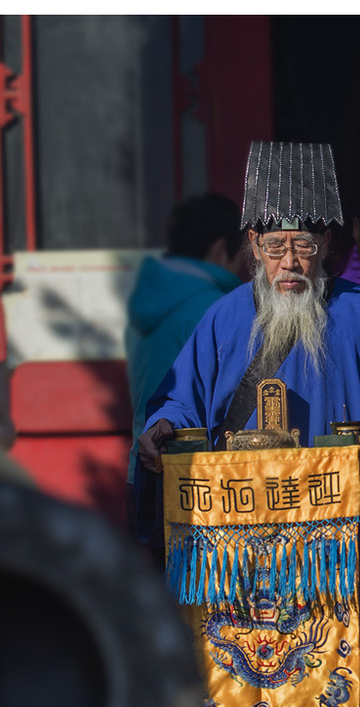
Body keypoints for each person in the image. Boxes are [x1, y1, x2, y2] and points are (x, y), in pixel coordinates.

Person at [135, 141, 360, 707]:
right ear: (250, 243)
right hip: (244, 563)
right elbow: (177, 401)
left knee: (355, 700)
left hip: (343, 553)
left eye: (304, 245)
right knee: (249, 697)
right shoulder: (222, 321)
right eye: (274, 247)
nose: (291, 263)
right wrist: (158, 431)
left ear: (328, 244)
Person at [124, 193, 246, 568]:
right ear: (221, 249)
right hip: (193, 482)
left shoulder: (148, 301)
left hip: (144, 469)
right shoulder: (213, 308)